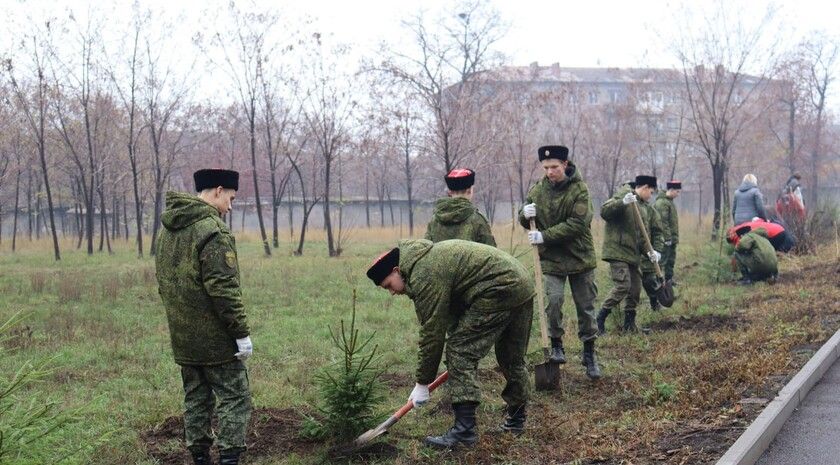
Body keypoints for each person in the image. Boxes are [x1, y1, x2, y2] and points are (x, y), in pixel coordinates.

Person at [367, 239, 534, 448]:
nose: (392, 292)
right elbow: (454, 312)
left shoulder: (423, 274)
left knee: (459, 352)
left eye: (389, 285)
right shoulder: (424, 261)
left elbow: (432, 333)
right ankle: (516, 422)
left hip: (498, 288)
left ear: (396, 270)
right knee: (511, 357)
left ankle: (464, 432)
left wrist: (422, 383)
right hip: (521, 282)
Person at [155, 169, 253, 465]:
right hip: (216, 341)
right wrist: (241, 333)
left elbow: (164, 283)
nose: (230, 207)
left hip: (183, 338)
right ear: (218, 190)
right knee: (235, 396)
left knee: (196, 398)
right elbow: (223, 290)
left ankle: (199, 458)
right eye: (230, 199)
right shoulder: (213, 231)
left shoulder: (168, 230)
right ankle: (229, 459)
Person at [518, 145, 601, 380]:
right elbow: (525, 218)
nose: (550, 172)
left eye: (554, 167)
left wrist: (544, 236)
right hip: (552, 259)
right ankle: (556, 345)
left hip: (579, 257)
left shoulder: (579, 190)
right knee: (553, 302)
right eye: (545, 168)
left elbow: (578, 224)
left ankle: (589, 353)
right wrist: (524, 214)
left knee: (585, 307)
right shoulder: (538, 191)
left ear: (565, 164)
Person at [596, 175, 664, 334]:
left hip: (633, 254)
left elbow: (642, 236)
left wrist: (651, 253)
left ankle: (629, 325)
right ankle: (599, 320)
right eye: (651, 192)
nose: (651, 196)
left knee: (635, 289)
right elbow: (604, 211)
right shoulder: (624, 193)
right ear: (645, 187)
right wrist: (623, 202)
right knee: (623, 286)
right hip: (618, 250)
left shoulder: (643, 207)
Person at [425, 168, 496, 246]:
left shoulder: (435, 220)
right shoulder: (478, 220)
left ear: (450, 192)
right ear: (470, 191)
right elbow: (491, 251)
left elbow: (426, 248)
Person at [654, 181, 681, 284]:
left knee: (670, 260)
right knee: (662, 260)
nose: (678, 194)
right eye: (677, 192)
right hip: (664, 239)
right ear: (672, 190)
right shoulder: (662, 203)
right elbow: (663, 222)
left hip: (671, 238)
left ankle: (669, 280)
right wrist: (667, 238)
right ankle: (658, 281)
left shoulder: (669, 202)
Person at [727, 218, 795, 252]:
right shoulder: (744, 225)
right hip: (778, 228)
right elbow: (761, 220)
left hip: (774, 234)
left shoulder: (739, 235)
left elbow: (740, 247)